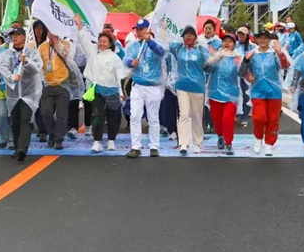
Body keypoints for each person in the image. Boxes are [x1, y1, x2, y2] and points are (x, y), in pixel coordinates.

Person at [74, 15, 126, 152]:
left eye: (104, 41)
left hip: (112, 91)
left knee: (113, 117)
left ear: (110, 44)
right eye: (100, 41)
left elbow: (120, 76)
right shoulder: (92, 53)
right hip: (97, 90)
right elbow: (84, 40)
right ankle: (97, 141)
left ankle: (111, 140)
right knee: (97, 116)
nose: (101, 43)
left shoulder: (115, 58)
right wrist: (79, 25)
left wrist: (121, 92)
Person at [238, 30, 290, 156]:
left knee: (273, 119)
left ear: (269, 40)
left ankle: (269, 144)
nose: (262, 41)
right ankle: (258, 139)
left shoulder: (274, 54)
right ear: (256, 40)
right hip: (257, 91)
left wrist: (280, 53)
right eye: (260, 38)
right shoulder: (252, 54)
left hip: (274, 92)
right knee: (259, 117)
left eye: (265, 38)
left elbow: (285, 66)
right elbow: (241, 72)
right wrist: (247, 67)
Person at [123, 18, 167, 158]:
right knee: (135, 116)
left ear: (148, 30)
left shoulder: (155, 44)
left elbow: (162, 53)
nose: (138, 32)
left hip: (153, 87)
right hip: (138, 86)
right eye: (137, 29)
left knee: (153, 118)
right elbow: (126, 59)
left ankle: (154, 146)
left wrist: (150, 42)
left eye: (141, 29)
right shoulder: (133, 46)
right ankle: (135, 147)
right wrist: (131, 62)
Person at [0, 27, 43, 162]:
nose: (15, 37)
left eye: (18, 35)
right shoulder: (7, 54)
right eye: (13, 35)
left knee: (25, 119)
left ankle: (23, 148)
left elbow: (37, 69)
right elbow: (2, 68)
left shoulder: (32, 53)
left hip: (29, 93)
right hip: (13, 94)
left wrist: (27, 62)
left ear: (24, 36)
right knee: (15, 121)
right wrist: (12, 77)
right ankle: (17, 147)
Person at [165, 25, 211, 155]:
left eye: (191, 34)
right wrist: (163, 29)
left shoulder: (201, 50)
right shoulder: (178, 48)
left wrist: (219, 56)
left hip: (197, 87)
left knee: (196, 115)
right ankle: (183, 143)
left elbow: (209, 62)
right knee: (184, 114)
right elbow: (164, 44)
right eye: (186, 34)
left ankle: (197, 142)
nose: (188, 36)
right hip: (182, 86)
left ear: (195, 37)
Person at [37, 26, 79, 150]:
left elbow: (67, 55)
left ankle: (59, 138)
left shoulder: (67, 44)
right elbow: (39, 65)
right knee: (46, 113)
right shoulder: (42, 47)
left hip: (63, 84)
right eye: (50, 31)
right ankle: (52, 133)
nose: (52, 33)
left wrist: (56, 42)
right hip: (48, 85)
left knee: (62, 114)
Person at [204, 34, 241, 155]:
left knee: (228, 119)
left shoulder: (237, 57)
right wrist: (217, 57)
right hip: (215, 93)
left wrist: (243, 62)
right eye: (225, 41)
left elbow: (242, 72)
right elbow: (206, 68)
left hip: (231, 94)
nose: (227, 43)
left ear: (234, 44)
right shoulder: (215, 56)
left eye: (230, 41)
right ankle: (220, 136)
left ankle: (228, 142)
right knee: (217, 119)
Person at [234, 27, 256, 127]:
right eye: (239, 34)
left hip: (247, 74)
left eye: (243, 34)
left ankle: (244, 117)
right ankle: (237, 114)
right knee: (236, 95)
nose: (241, 36)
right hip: (235, 74)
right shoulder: (234, 45)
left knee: (246, 95)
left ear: (247, 36)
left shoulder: (253, 47)